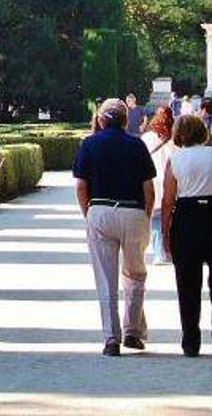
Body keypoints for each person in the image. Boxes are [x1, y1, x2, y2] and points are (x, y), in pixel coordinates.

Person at [73, 98, 156, 356]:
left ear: (101, 119)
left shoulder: (89, 144)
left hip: (100, 209)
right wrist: (146, 215)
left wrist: (89, 213)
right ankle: (132, 332)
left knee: (106, 280)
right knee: (135, 275)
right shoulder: (137, 144)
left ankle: (111, 338)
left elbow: (81, 186)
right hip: (133, 211)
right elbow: (148, 188)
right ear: (124, 119)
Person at [161, 113, 212, 357]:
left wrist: (166, 231)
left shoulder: (175, 160)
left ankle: (190, 340)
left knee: (187, 282)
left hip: (186, 216)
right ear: (201, 132)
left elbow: (167, 200)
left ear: (178, 134)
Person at [141, 106, 175, 264]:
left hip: (152, 179)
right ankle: (169, 249)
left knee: (155, 216)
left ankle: (159, 252)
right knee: (170, 216)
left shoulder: (147, 137)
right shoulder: (176, 138)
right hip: (171, 180)